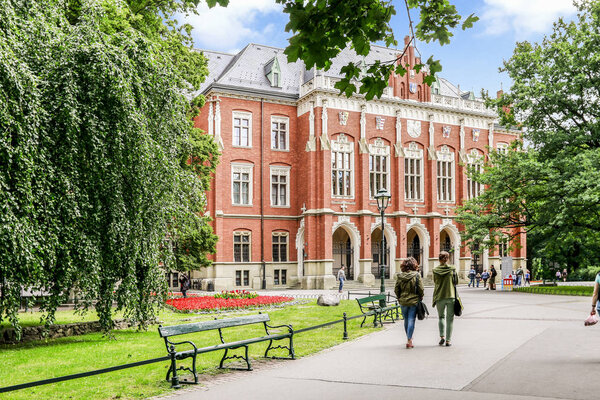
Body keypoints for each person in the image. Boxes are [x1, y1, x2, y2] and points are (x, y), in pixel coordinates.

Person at [394, 257, 424, 349]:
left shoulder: (400, 276)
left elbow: (396, 289)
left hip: (403, 300)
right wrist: (421, 295)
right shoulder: (417, 275)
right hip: (414, 300)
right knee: (411, 319)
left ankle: (408, 338)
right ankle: (409, 339)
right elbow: (420, 288)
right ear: (414, 265)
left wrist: (399, 297)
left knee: (406, 320)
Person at [433, 251, 458, 347]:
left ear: (439, 259)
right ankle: (448, 341)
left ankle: (442, 337)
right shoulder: (453, 269)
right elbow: (456, 282)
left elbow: (435, 282)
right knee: (450, 319)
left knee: (441, 317)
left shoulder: (435, 270)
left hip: (439, 296)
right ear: (447, 259)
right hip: (450, 295)